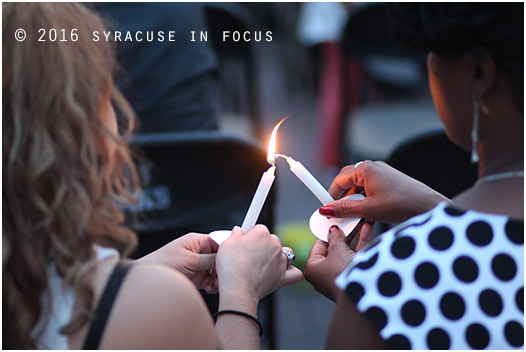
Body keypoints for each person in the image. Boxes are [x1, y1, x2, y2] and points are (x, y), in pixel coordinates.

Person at [3, 3, 302, 349]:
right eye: (107, 98)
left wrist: (139, 270)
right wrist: (241, 297)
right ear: (86, 134)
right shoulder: (158, 309)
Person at [305, 3, 523, 349]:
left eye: (431, 56)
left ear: (479, 73)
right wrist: (437, 208)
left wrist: (361, 295)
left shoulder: (394, 282)